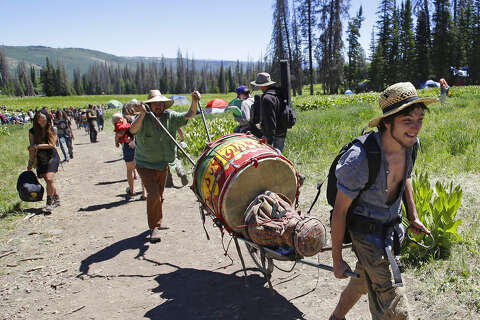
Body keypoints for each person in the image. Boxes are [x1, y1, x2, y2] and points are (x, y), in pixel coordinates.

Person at [329, 82, 437, 320]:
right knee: (395, 306)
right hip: (365, 233)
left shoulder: (410, 145)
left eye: (419, 119)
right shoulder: (359, 159)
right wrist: (337, 261)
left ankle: (336, 318)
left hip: (390, 228)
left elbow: (405, 177)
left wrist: (414, 216)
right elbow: (339, 212)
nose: (416, 127)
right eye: (408, 120)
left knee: (362, 281)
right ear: (387, 122)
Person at [128, 89, 199, 243]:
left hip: (163, 162)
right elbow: (132, 130)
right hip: (144, 163)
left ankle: (157, 221)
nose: (158, 106)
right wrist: (141, 115)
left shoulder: (170, 117)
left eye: (161, 104)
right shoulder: (143, 118)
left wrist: (194, 101)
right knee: (153, 194)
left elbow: (189, 115)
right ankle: (154, 227)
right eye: (155, 104)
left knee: (159, 196)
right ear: (150, 106)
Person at [27, 110, 61, 213]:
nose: (41, 121)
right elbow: (32, 148)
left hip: (52, 156)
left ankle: (49, 202)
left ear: (47, 119)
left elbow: (51, 144)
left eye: (43, 119)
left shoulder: (52, 129)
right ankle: (57, 198)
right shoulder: (32, 131)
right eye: (39, 119)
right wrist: (30, 162)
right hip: (40, 158)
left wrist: (36, 146)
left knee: (49, 179)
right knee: (47, 180)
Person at [112, 111, 146, 201]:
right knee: (142, 169)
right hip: (138, 144)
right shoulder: (133, 119)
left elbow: (118, 136)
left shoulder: (118, 125)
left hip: (128, 147)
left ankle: (131, 190)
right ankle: (144, 192)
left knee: (130, 170)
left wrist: (117, 142)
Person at [250, 72, 288, 152]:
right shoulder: (278, 93)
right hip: (282, 132)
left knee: (272, 159)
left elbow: (270, 121)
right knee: (278, 158)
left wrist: (269, 141)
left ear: (262, 85)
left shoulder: (267, 98)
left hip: (272, 136)